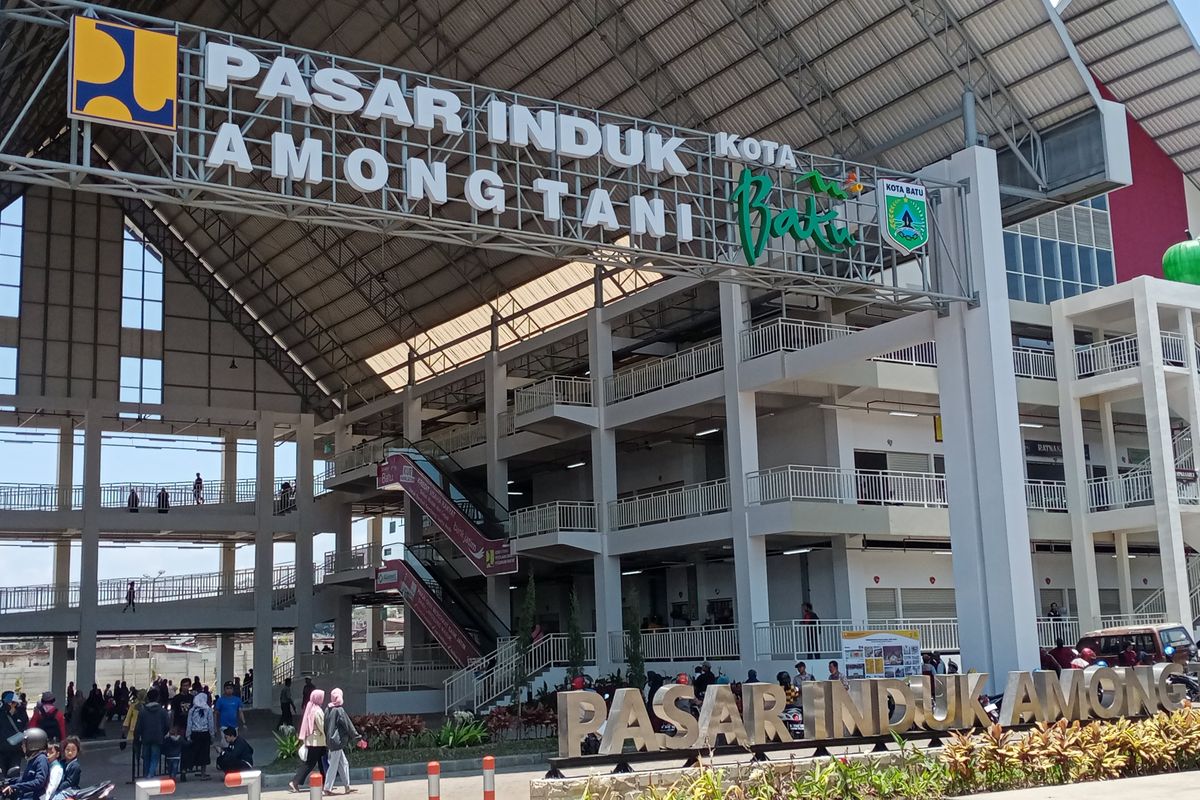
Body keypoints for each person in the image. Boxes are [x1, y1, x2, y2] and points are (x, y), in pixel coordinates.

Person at [322, 689, 361, 795]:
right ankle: (327, 788)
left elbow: (324, 726)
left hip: (330, 741)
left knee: (343, 763)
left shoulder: (327, 709)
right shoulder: (339, 710)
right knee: (334, 765)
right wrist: (357, 738)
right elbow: (348, 725)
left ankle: (347, 786)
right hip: (337, 741)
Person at [288, 689, 325, 793]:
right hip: (317, 741)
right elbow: (322, 726)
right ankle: (295, 781)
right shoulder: (317, 710)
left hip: (312, 740)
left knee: (321, 762)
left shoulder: (311, 708)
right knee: (311, 763)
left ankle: (325, 783)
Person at [3, 728, 50, 800]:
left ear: (33, 744)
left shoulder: (41, 759)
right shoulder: (33, 758)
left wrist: (15, 787)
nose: (22, 746)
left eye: (24, 743)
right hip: (25, 796)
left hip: (33, 797)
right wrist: (9, 782)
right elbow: (26, 779)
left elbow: (39, 782)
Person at [134, 688, 169, 778]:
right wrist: (162, 733)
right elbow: (167, 726)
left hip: (145, 737)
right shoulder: (162, 711)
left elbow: (138, 726)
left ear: (148, 698)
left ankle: (146, 774)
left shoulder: (142, 712)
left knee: (146, 757)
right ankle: (151, 774)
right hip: (158, 737)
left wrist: (138, 736)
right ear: (158, 698)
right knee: (155, 757)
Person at [185, 693, 215, 781]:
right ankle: (203, 773)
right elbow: (211, 723)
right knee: (204, 754)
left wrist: (188, 735)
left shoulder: (192, 710)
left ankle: (185, 771)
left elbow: (189, 724)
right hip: (205, 734)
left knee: (193, 753)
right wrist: (212, 735)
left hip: (195, 733)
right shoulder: (208, 710)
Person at [0, 693, 24, 774]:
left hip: (16, 751)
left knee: (14, 774)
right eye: (15, 703)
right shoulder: (1, 714)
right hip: (2, 751)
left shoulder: (21, 713)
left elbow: (25, 728)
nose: (17, 705)